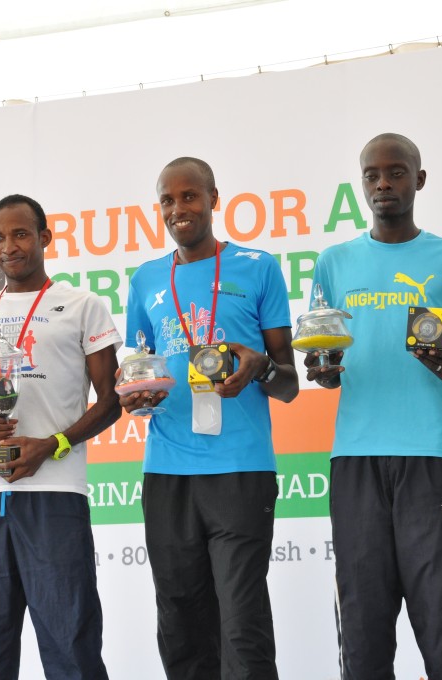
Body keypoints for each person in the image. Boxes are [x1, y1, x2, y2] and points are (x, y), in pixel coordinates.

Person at [305, 133, 442, 680]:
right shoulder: (333, 263)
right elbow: (321, 363)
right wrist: (324, 372)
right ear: (361, 185)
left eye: (397, 172)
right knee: (362, 629)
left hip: (433, 458)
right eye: (372, 175)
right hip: (355, 460)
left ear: (419, 180)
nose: (383, 183)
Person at [122, 157, 299, 680]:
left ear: (214, 199)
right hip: (167, 470)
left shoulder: (258, 266)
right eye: (168, 201)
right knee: (179, 618)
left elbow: (288, 382)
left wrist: (259, 368)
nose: (180, 209)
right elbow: (139, 369)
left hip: (240, 468)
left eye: (190, 196)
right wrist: (137, 396)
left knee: (241, 620)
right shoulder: (146, 279)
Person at [0, 194, 122, 680]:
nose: (9, 246)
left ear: (44, 237)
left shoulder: (83, 305)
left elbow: (110, 400)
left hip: (54, 495)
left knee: (71, 645)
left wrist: (54, 444)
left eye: (20, 234)